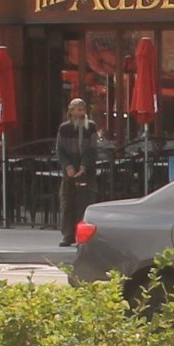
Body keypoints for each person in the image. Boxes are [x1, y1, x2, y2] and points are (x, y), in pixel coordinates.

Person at [54, 94, 100, 245]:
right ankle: (68, 235)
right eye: (77, 110)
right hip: (69, 171)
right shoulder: (64, 128)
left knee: (84, 203)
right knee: (67, 203)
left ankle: (83, 236)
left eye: (82, 109)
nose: (80, 113)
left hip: (86, 172)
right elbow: (60, 150)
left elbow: (92, 149)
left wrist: (83, 166)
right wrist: (68, 166)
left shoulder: (91, 127)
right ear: (71, 111)